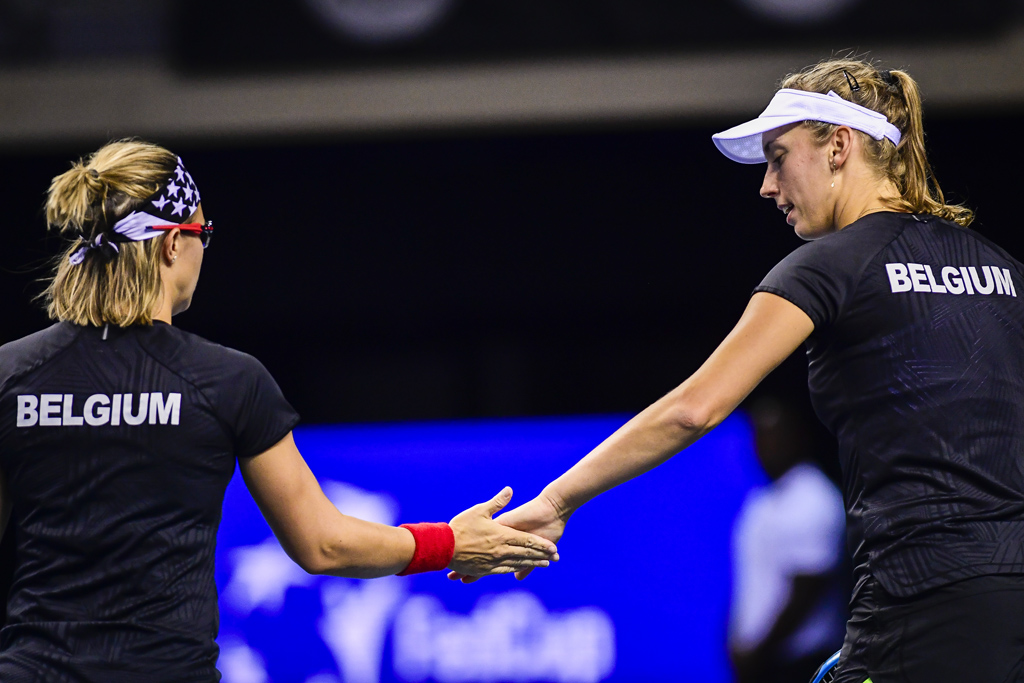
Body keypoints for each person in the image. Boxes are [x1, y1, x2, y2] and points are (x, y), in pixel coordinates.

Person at [453, 58, 1024, 682]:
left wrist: (559, 500)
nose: (767, 185)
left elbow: (693, 408)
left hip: (923, 601)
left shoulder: (826, 267)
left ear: (839, 146)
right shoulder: (1002, 268)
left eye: (779, 157)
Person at [0, 139, 558, 682]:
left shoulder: (11, 375)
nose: (202, 248)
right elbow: (324, 545)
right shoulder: (225, 381)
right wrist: (450, 542)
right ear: (173, 244)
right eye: (203, 232)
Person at [728, 397, 846, 683]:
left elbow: (807, 589)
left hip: (801, 664)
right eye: (760, 435)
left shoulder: (815, 497)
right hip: (764, 663)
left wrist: (758, 652)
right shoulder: (763, 500)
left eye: (775, 435)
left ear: (799, 436)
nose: (765, 445)